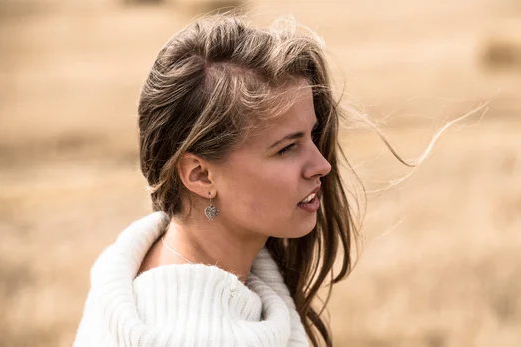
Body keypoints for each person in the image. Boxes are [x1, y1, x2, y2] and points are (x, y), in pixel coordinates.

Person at [73, 13, 363, 347]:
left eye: (313, 135)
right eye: (286, 149)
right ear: (200, 175)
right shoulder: (191, 335)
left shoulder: (148, 263)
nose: (322, 165)